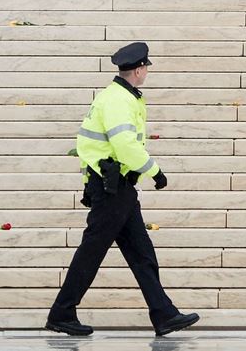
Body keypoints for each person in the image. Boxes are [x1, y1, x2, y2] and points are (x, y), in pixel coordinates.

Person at [47, 42, 200, 337]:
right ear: (139, 70)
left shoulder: (117, 96)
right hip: (112, 188)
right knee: (93, 251)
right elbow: (124, 144)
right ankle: (61, 313)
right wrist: (154, 171)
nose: (146, 72)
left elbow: (94, 144)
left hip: (117, 187)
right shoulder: (118, 99)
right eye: (146, 68)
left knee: (141, 253)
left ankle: (164, 314)